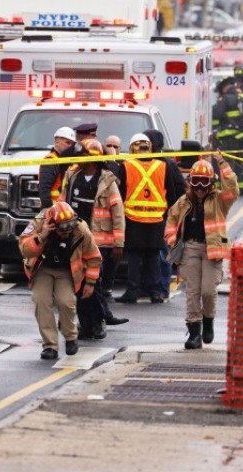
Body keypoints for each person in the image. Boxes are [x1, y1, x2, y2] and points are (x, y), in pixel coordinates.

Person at [165, 156, 238, 349]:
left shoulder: (220, 200)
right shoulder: (183, 201)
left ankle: (208, 321)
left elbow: (232, 188)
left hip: (212, 251)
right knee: (192, 292)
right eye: (195, 182)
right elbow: (171, 221)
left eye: (204, 183)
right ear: (190, 183)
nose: (199, 188)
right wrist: (172, 240)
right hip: (190, 249)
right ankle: (194, 332)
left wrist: (223, 164)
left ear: (211, 183)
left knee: (208, 290)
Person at [60, 139, 128, 339]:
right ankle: (86, 325)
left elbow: (118, 214)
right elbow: (62, 204)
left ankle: (98, 323)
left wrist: (118, 243)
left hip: (100, 243)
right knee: (77, 285)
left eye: (82, 155)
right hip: (75, 241)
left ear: (93, 159)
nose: (78, 159)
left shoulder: (107, 182)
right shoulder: (72, 177)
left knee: (94, 285)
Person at [19, 201, 101, 360]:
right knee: (41, 301)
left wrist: (90, 283)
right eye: (63, 228)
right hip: (42, 269)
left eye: (70, 226)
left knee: (66, 302)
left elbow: (94, 257)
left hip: (66, 271)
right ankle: (50, 346)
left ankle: (71, 338)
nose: (67, 231)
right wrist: (41, 236)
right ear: (52, 224)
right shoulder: (38, 223)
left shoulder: (80, 229)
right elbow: (24, 250)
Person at [115, 133, 178, 304]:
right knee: (153, 256)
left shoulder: (126, 166)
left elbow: (119, 195)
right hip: (157, 220)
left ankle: (132, 291)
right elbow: (171, 195)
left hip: (133, 219)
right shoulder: (162, 166)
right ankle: (156, 292)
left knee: (134, 257)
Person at [144, 129, 186, 299]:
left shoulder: (167, 165)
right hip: (145, 216)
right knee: (150, 255)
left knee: (163, 255)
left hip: (164, 217)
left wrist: (173, 213)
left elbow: (179, 190)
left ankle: (162, 289)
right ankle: (149, 287)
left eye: (147, 142)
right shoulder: (141, 162)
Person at [38, 127, 76, 209]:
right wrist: (49, 210)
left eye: (72, 144)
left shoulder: (65, 160)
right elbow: (44, 190)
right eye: (67, 142)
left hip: (63, 210)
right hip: (52, 210)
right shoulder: (51, 160)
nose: (70, 146)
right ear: (57, 141)